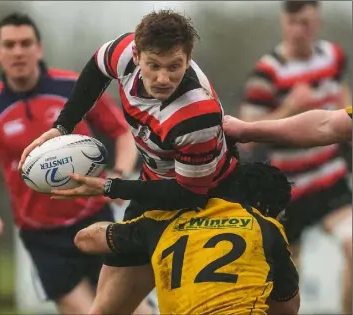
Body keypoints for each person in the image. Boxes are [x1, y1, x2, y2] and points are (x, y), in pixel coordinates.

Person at [18, 10, 240, 314]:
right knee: (106, 310)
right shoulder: (124, 54)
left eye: (174, 67)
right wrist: (62, 127)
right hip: (154, 189)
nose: (163, 78)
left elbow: (188, 193)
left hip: (209, 200)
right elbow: (97, 67)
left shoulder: (196, 114)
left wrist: (108, 186)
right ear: (137, 55)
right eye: (154, 66)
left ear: (189, 59)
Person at [0, 13, 146, 315]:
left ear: (39, 48)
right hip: (42, 236)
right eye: (9, 45)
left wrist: (118, 174)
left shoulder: (73, 88)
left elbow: (122, 132)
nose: (18, 52)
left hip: (95, 217)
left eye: (26, 43)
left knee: (134, 311)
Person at [237, 1, 352, 313]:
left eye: (307, 23)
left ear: (318, 22)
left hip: (329, 178)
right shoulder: (266, 72)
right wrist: (290, 109)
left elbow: (341, 95)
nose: (300, 31)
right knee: (287, 282)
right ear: (282, 22)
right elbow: (248, 131)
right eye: (293, 23)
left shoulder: (332, 56)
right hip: (289, 189)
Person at [73, 162, 300, 315]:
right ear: (264, 207)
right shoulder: (266, 227)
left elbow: (85, 239)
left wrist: (126, 230)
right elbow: (288, 308)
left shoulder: (163, 223)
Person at [223, 106, 352, 146]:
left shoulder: (331, 56)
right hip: (294, 181)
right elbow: (327, 125)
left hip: (333, 178)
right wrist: (247, 129)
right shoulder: (267, 71)